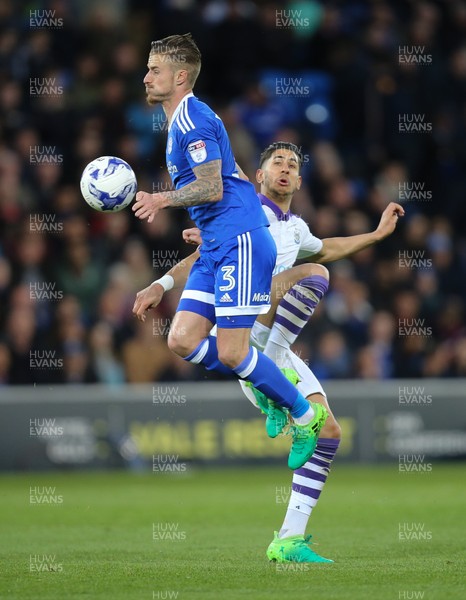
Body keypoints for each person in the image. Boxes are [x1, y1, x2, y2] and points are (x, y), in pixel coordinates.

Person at [133, 140, 405, 562]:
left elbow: (327, 246)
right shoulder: (245, 212)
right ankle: (268, 370)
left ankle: (288, 540)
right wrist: (161, 284)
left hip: (264, 343)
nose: (285, 168)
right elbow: (203, 255)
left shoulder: (295, 228)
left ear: (298, 180)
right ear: (258, 176)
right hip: (243, 327)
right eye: (276, 162)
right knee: (314, 274)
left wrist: (377, 233)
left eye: (293, 164)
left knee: (330, 432)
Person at [132, 34, 328, 472]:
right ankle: (270, 388)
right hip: (221, 240)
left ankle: (303, 414)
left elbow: (212, 186)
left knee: (235, 353)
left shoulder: (192, 121)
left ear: (180, 77)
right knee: (181, 339)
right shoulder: (183, 121)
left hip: (239, 242)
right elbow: (234, 176)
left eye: (154, 70)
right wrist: (210, 225)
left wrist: (162, 200)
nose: (146, 77)